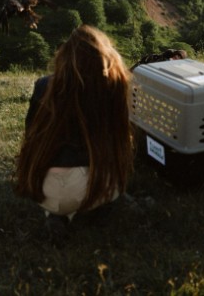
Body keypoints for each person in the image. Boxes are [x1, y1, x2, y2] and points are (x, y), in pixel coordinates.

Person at [14, 25, 134, 240]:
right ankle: (100, 205)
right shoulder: (115, 86)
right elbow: (120, 138)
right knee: (106, 169)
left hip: (46, 189)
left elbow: (30, 131)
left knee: (58, 191)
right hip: (98, 185)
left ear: (65, 56)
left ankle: (57, 214)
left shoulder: (45, 85)